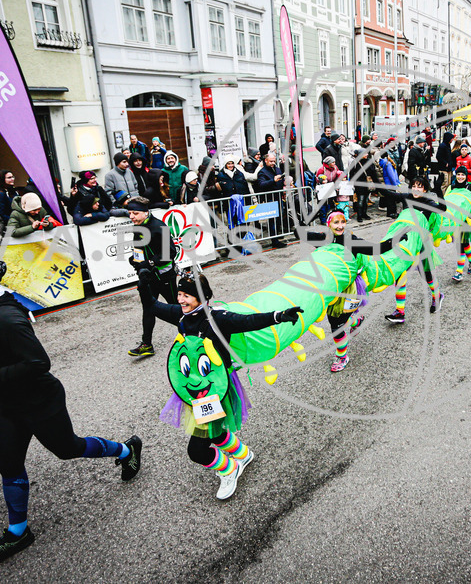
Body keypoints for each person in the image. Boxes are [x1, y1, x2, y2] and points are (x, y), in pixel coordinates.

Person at [0, 252, 141, 568]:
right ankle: (18, 532)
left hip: (40, 401)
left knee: (69, 449)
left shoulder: (5, 318)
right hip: (10, 405)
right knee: (9, 465)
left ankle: (126, 450)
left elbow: (39, 363)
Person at [149, 270, 301, 499]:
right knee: (214, 430)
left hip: (216, 391)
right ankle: (243, 454)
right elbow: (153, 306)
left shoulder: (218, 318)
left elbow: (249, 321)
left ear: (202, 297)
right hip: (194, 388)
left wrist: (279, 315)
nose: (180, 300)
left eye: (186, 296)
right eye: (179, 294)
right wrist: (143, 280)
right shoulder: (180, 315)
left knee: (196, 451)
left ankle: (230, 469)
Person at [304, 210, 393, 371]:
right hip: (331, 288)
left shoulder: (350, 240)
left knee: (335, 324)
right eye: (335, 222)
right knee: (339, 320)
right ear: (328, 224)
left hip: (349, 290)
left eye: (342, 222)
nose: (340, 226)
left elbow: (376, 249)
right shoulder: (323, 239)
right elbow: (300, 233)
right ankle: (356, 320)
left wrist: (395, 240)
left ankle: (342, 357)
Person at [385, 177, 446, 323]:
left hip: (421, 244)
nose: (416, 189)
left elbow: (442, 209)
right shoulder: (406, 197)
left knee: (427, 275)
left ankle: (437, 295)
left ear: (425, 189)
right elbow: (389, 194)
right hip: (406, 243)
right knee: (400, 274)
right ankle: (400, 312)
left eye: (419, 187)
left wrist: (438, 189)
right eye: (413, 186)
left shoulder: (428, 202)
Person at [126, 197, 179, 358]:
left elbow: (170, 253)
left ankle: (193, 334)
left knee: (175, 307)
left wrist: (149, 263)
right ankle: (146, 344)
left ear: (146, 212)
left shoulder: (158, 226)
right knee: (148, 308)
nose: (132, 217)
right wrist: (134, 259)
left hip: (164, 275)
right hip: (148, 277)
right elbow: (140, 249)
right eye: (129, 213)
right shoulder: (138, 226)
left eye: (135, 213)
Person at [449, 167, 471, 282]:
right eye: (458, 174)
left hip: (468, 219)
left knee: (461, 244)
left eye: (463, 174)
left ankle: (459, 272)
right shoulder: (451, 187)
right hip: (456, 219)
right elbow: (445, 202)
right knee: (464, 242)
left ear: (466, 176)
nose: (460, 177)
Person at [254, 153, 287, 248]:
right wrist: (273, 180)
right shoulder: (262, 172)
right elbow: (261, 184)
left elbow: (281, 179)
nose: (273, 163)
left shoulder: (277, 169)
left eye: (274, 161)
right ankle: (274, 240)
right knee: (273, 220)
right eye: (271, 161)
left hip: (278, 196)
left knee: (279, 217)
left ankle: (277, 236)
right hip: (270, 198)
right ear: (266, 161)